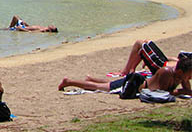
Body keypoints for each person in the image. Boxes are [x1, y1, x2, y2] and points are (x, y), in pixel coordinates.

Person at [58, 53, 192, 96]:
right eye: (189, 75)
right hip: (133, 85)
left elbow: (188, 89)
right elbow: (160, 92)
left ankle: (90, 78)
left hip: (137, 81)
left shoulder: (179, 76)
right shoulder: (167, 74)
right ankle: (69, 82)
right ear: (181, 71)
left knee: (107, 84)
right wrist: (180, 91)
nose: (190, 78)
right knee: (99, 87)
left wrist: (185, 86)